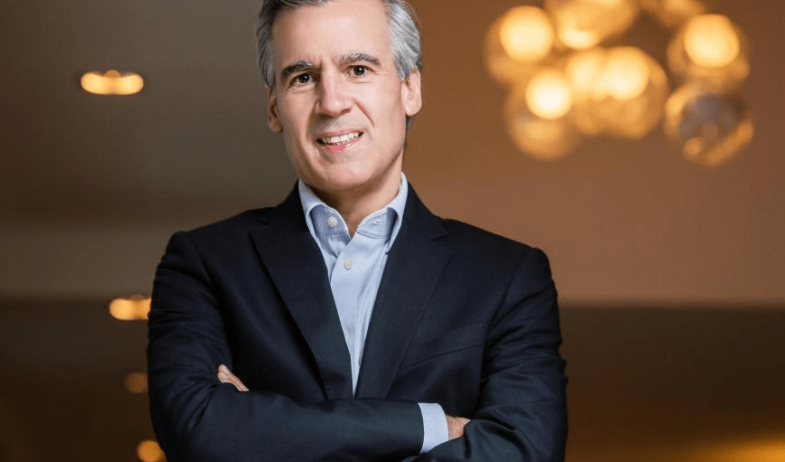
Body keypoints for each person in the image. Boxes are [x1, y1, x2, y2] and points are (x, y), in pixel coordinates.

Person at [146, 0, 568, 460]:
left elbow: (523, 451)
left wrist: (267, 430)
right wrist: (428, 426)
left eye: (358, 69)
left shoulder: (508, 277)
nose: (332, 102)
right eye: (303, 77)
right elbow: (198, 431)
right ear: (274, 107)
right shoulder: (204, 265)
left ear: (410, 88)